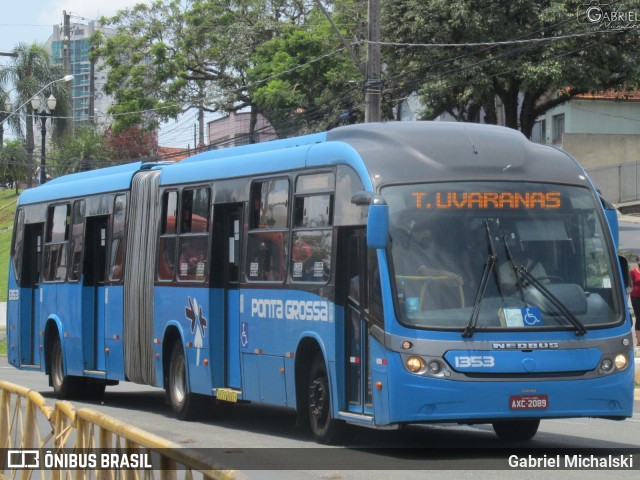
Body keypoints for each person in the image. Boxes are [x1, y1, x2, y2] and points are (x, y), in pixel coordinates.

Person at [629, 257, 640, 344]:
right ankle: (639, 339)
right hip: (635, 297)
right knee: (639, 317)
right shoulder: (633, 272)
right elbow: (629, 285)